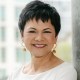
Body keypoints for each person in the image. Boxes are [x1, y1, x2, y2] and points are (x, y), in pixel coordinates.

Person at [7, 0, 77, 80]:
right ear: (22, 35)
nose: (39, 38)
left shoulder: (65, 72)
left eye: (46, 31)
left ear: (56, 36)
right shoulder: (14, 75)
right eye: (32, 31)